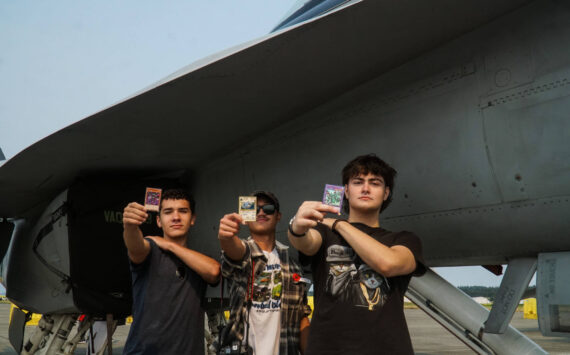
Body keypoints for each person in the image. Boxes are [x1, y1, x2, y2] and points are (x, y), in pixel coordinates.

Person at [287, 154, 426, 355]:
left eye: (375, 183)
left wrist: (339, 223)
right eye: (358, 182)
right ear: (346, 191)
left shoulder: (405, 240)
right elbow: (306, 243)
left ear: (386, 193)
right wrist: (296, 227)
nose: (366, 188)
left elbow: (388, 263)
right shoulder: (325, 234)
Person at [122, 188, 220, 354]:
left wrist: (169, 245)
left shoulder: (197, 260)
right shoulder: (150, 251)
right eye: (168, 212)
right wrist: (129, 226)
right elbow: (135, 246)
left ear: (192, 219)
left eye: (183, 211)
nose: (176, 217)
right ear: (159, 221)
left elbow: (213, 271)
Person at [218, 191, 311, 355]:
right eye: (255, 209)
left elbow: (301, 316)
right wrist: (225, 236)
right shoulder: (245, 252)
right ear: (246, 217)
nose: (261, 212)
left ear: (278, 216)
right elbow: (235, 251)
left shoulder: (292, 264)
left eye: (268, 208)